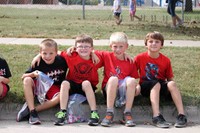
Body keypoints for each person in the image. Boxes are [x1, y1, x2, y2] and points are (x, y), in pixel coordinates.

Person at [32, 34, 103, 126]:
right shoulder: (71, 55)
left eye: (86, 47)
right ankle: (62, 112)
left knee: (86, 83)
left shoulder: (97, 58)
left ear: (92, 48)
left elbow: (113, 54)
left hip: (87, 87)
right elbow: (54, 52)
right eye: (80, 47)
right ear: (75, 48)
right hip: (73, 84)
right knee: (65, 83)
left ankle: (94, 113)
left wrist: (93, 53)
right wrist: (38, 55)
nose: (83, 49)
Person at [134, 31, 187, 128]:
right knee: (156, 84)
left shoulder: (166, 60)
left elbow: (169, 78)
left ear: (161, 45)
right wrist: (136, 86)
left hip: (160, 85)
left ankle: (181, 115)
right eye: (151, 41)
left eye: (157, 41)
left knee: (172, 84)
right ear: (146, 44)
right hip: (146, 86)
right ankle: (156, 116)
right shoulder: (139, 57)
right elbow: (132, 74)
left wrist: (171, 89)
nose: (153, 44)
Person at [16, 39, 68, 125]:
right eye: (44, 53)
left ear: (56, 53)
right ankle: (33, 114)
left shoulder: (62, 60)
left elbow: (74, 53)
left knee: (60, 97)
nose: (47, 56)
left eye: (51, 53)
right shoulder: (37, 62)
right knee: (27, 80)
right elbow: (23, 77)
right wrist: (33, 74)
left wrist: (92, 53)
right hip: (39, 86)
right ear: (40, 53)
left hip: (54, 87)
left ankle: (32, 111)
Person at [94, 32, 140, 127]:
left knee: (131, 81)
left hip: (123, 91)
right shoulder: (107, 56)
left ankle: (127, 113)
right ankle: (109, 113)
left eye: (121, 46)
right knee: (114, 79)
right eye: (115, 46)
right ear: (110, 46)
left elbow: (134, 79)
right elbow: (87, 49)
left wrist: (138, 86)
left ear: (126, 46)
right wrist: (91, 52)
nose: (118, 49)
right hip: (109, 88)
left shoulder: (130, 61)